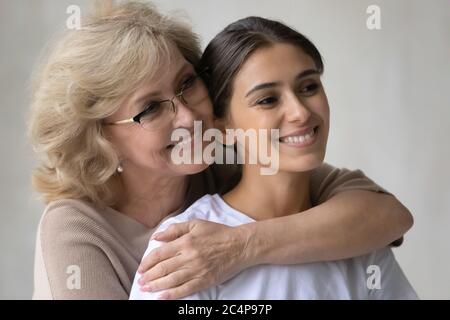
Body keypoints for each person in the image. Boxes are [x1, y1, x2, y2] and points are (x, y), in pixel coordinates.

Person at [29, 1, 412, 300]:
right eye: (150, 108)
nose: (188, 116)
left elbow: (387, 214)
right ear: (101, 138)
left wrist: (240, 245)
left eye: (187, 84)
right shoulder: (75, 228)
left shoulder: (226, 162)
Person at [130, 16, 417, 300]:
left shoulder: (355, 237)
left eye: (309, 87)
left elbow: (396, 215)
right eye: (267, 99)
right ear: (222, 128)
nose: (300, 112)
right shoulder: (185, 245)